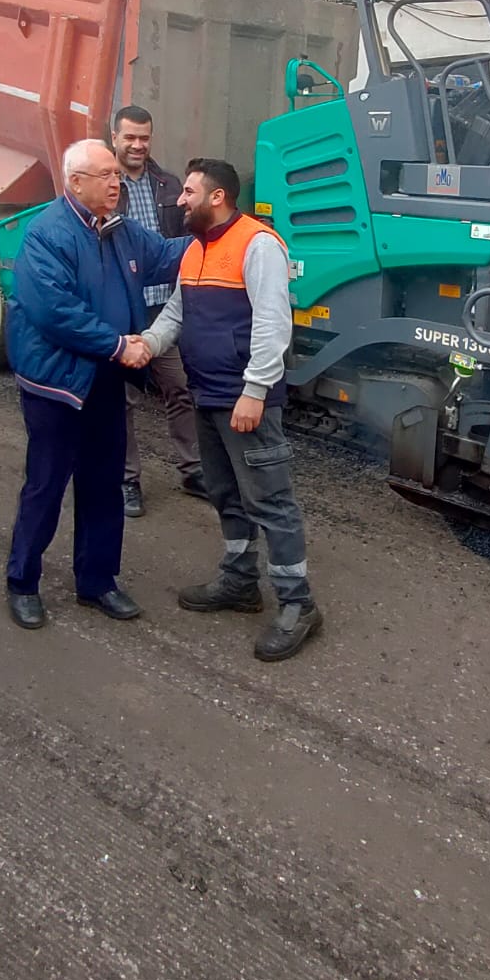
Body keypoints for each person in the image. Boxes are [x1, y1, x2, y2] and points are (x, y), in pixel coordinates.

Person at [140, 158, 321, 663]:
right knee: (226, 494)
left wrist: (255, 390)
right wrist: (148, 343)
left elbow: (273, 322)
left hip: (244, 401)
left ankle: (298, 603)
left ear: (216, 197)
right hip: (207, 395)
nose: (180, 200)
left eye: (189, 191)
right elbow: (177, 312)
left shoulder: (257, 244)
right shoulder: (196, 248)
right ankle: (240, 581)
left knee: (271, 501)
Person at [2, 138, 187, 631]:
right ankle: (23, 583)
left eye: (117, 175)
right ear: (75, 182)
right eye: (105, 175)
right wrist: (118, 344)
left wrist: (220, 234)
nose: (115, 184)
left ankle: (98, 580)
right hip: (57, 385)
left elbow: (167, 256)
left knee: (105, 483)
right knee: (46, 485)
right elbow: (55, 311)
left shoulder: (121, 230)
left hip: (105, 378)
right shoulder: (48, 234)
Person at [110, 104, 203, 517]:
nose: (137, 145)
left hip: (162, 309)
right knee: (123, 399)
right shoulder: (106, 185)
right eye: (130, 137)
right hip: (122, 309)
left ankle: (193, 470)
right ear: (114, 138)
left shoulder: (168, 184)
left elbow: (188, 239)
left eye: (144, 137)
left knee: (181, 387)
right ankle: (127, 479)